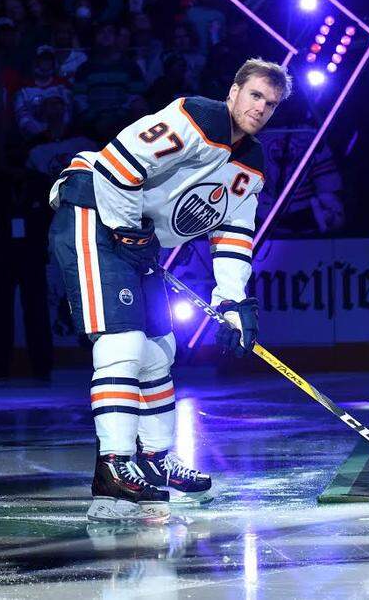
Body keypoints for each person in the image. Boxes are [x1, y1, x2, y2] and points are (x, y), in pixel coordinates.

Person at [46, 58, 290, 521]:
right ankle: (113, 467)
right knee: (122, 344)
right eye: (255, 95)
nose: (261, 108)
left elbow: (235, 234)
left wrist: (232, 301)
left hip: (134, 237)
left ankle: (155, 460)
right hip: (94, 212)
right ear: (234, 90)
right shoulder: (195, 118)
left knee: (159, 349)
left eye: (271, 104)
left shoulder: (252, 164)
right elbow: (118, 164)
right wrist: (123, 229)